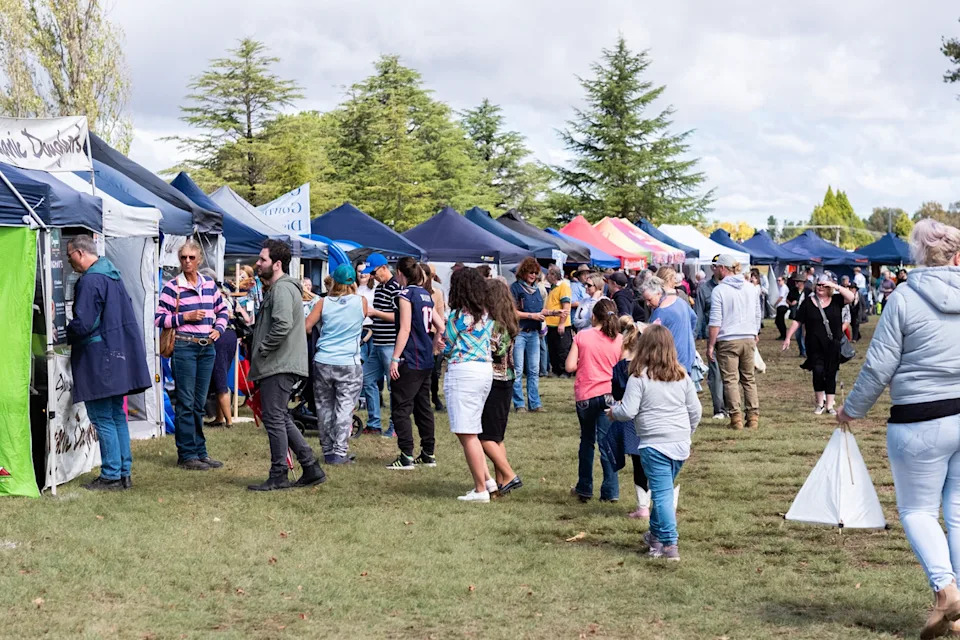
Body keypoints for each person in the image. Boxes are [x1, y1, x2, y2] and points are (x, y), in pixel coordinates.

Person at [837, 219, 960, 639]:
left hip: (919, 419)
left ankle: (945, 591)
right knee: (958, 512)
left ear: (918, 254)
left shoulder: (903, 297)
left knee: (917, 510)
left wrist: (851, 410)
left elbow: (879, 366)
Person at [608, 324, 702, 562]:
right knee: (663, 490)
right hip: (680, 445)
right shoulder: (682, 375)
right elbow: (696, 410)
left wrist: (613, 412)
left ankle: (670, 544)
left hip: (654, 444)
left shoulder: (639, 377)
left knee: (661, 496)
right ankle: (656, 537)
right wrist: (687, 432)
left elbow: (628, 411)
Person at [66, 235, 151, 490]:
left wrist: (64, 331)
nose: (69, 261)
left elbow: (84, 323)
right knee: (116, 416)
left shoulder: (91, 280)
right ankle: (123, 472)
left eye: (69, 255)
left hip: (99, 357)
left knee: (103, 418)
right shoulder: (113, 275)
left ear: (80, 253)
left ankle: (111, 474)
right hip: (117, 356)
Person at [246, 240, 326, 491]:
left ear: (277, 264)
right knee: (279, 416)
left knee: (274, 418)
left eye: (263, 259)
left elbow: (281, 324)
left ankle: (279, 473)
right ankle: (311, 467)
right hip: (281, 362)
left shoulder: (282, 289)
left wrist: (263, 349)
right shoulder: (281, 288)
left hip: (279, 363)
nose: (258, 264)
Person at [156, 239, 228, 471]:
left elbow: (223, 310)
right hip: (184, 346)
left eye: (191, 258)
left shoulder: (209, 284)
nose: (187, 261)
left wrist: (219, 329)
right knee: (186, 402)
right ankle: (187, 454)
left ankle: (200, 451)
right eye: (183, 258)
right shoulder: (173, 286)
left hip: (207, 347)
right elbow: (159, 318)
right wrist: (184, 318)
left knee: (198, 402)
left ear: (199, 259)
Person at [305, 263, 368, 465]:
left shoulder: (323, 302)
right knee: (344, 407)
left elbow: (307, 327)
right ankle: (340, 452)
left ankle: (327, 450)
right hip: (349, 361)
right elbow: (362, 319)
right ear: (353, 282)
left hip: (324, 360)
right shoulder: (361, 302)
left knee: (324, 407)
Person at [386, 258, 444, 470]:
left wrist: (394, 358)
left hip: (411, 358)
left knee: (401, 407)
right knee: (423, 407)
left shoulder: (405, 295)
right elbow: (440, 323)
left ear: (400, 272)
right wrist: (438, 337)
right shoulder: (426, 295)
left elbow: (405, 328)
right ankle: (428, 453)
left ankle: (406, 455)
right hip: (427, 359)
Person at [444, 268, 496, 503]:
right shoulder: (486, 314)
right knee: (471, 429)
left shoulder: (458, 316)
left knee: (467, 433)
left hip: (463, 371)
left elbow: (446, 345)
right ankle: (487, 480)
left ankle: (480, 489)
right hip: (484, 370)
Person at [566, 299, 623, 502]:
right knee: (607, 443)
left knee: (587, 441)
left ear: (593, 316)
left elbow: (569, 366)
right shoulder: (619, 339)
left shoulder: (583, 336)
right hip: (609, 393)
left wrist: (585, 360)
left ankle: (584, 487)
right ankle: (611, 491)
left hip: (586, 394)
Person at [782, 272, 855, 415]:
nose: (820, 287)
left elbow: (851, 297)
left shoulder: (836, 300)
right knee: (818, 371)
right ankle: (820, 404)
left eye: (823, 285)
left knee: (831, 373)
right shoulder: (808, 302)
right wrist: (788, 337)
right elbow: (797, 321)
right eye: (818, 285)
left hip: (833, 344)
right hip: (814, 344)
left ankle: (829, 405)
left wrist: (834, 285)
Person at [707, 255, 761, 431]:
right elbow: (757, 313)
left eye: (715, 267)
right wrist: (754, 332)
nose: (714, 271)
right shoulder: (751, 288)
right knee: (749, 379)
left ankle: (736, 418)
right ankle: (753, 417)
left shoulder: (720, 290)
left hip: (728, 339)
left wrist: (710, 345)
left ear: (723, 268)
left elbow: (715, 321)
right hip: (748, 336)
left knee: (730, 380)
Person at [480, 278, 522, 495]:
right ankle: (500, 483)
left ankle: (509, 474)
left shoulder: (496, 325)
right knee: (497, 436)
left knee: (483, 436)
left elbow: (497, 350)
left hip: (496, 380)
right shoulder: (509, 319)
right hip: (508, 379)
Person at [361, 253, 400, 436]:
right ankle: (374, 422)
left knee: (394, 387)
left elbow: (398, 317)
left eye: (374, 272)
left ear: (384, 268)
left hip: (390, 344)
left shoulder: (396, 288)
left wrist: (375, 313)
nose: (373, 276)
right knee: (366, 379)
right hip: (378, 342)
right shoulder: (380, 288)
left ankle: (394, 426)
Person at [203, 269, 246, 429]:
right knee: (221, 373)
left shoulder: (211, 293)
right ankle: (220, 418)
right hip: (231, 335)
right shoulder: (226, 292)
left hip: (219, 335)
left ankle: (228, 421)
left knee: (219, 376)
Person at [510, 257, 546, 412]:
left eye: (535, 273)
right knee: (517, 370)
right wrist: (532, 316)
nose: (533, 275)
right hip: (520, 332)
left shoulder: (538, 289)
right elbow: (512, 312)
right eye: (531, 272)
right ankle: (519, 404)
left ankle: (535, 403)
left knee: (533, 370)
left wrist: (552, 313)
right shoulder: (515, 288)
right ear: (523, 272)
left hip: (534, 333)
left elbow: (540, 311)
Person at [642, 277, 697, 374]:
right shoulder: (680, 301)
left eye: (649, 300)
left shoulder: (660, 312)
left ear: (658, 293)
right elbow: (694, 319)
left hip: (671, 360)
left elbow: (651, 339)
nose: (647, 304)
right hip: (687, 354)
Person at [694, 264, 725, 421]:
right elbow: (698, 315)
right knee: (716, 374)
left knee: (732, 374)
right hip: (713, 337)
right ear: (714, 268)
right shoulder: (704, 289)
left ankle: (732, 407)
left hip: (732, 337)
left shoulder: (732, 287)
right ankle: (719, 408)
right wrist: (693, 336)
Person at [424, 263, 447, 412]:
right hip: (421, 334)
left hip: (433, 333)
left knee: (434, 371)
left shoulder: (437, 293)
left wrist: (438, 337)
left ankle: (434, 396)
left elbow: (440, 314)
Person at [544, 264, 573, 376]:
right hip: (551, 324)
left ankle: (565, 371)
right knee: (553, 349)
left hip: (561, 325)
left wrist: (561, 323)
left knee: (562, 349)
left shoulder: (563, 287)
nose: (546, 276)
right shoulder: (553, 288)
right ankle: (556, 370)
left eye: (548, 274)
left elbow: (565, 307)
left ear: (553, 275)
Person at [786, 274, 808, 357]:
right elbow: (787, 299)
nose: (796, 283)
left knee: (806, 334)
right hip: (797, 314)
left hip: (806, 315)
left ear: (803, 282)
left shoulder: (808, 291)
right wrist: (791, 303)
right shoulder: (793, 290)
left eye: (798, 281)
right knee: (798, 334)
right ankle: (802, 351)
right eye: (796, 281)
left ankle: (806, 351)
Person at [774, 275, 790, 340]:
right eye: (777, 280)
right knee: (779, 321)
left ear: (783, 280)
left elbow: (781, 297)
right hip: (782, 305)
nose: (778, 282)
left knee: (780, 321)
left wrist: (775, 303)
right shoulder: (782, 287)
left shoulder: (783, 287)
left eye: (779, 280)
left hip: (782, 305)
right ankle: (783, 334)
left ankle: (784, 335)